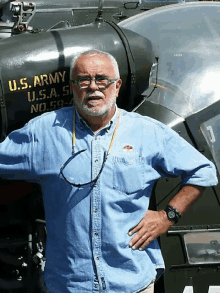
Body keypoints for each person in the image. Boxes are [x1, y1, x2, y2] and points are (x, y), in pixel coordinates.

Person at [0, 49, 218, 293]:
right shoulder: (44, 132)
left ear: (117, 85)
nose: (93, 88)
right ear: (73, 87)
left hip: (132, 283)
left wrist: (167, 216)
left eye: (102, 79)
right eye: (83, 80)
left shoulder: (148, 132)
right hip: (70, 285)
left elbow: (203, 171)